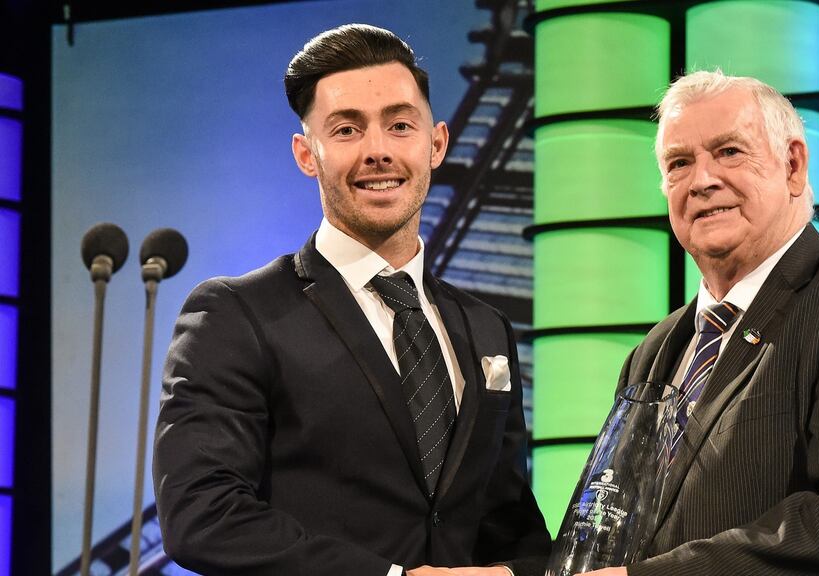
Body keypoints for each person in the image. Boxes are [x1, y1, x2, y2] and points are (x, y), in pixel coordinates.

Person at [153, 23, 550, 576]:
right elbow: (202, 513)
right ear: (306, 154)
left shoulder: (485, 328)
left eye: (399, 125)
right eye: (346, 130)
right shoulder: (235, 315)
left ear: (436, 143)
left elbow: (512, 528)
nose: (378, 151)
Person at [578, 70, 819, 575]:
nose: (702, 180)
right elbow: (614, 532)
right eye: (679, 163)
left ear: (793, 165)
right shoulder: (656, 350)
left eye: (729, 152)